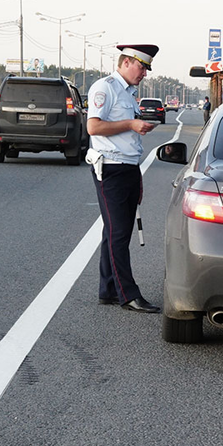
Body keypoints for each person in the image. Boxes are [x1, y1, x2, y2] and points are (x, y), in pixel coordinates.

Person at [85, 44, 161, 313]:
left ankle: (108, 289)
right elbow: (93, 126)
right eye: (142, 67)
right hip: (111, 169)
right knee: (118, 234)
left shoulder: (128, 92)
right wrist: (130, 124)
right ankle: (128, 294)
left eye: (147, 69)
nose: (145, 73)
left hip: (127, 167)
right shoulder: (105, 88)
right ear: (127, 62)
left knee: (114, 232)